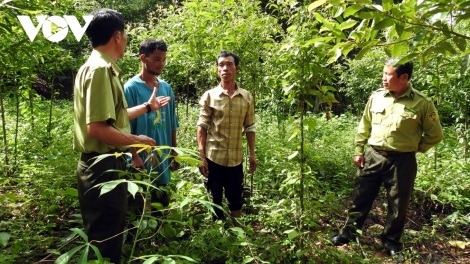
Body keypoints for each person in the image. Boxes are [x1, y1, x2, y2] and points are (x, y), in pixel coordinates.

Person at [73, 9, 170, 263]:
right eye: (125, 35)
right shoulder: (102, 70)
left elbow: (112, 117)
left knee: (104, 236)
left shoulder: (93, 66)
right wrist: (138, 141)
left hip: (100, 165)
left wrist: (148, 107)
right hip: (103, 166)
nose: (125, 40)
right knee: (106, 244)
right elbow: (97, 128)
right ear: (117, 36)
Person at [329, 59, 443, 262]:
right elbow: (364, 125)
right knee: (360, 197)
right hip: (373, 156)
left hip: (402, 161)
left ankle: (391, 242)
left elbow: (435, 135)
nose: (383, 78)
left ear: (404, 77)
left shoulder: (422, 103)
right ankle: (348, 234)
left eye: (388, 74)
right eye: (383, 73)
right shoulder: (377, 98)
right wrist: (358, 149)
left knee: (398, 205)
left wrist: (414, 148)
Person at [197, 51, 257, 226]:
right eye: (221, 65)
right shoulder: (209, 96)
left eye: (229, 64)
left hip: (235, 159)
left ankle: (236, 233)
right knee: (214, 198)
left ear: (236, 68)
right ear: (217, 70)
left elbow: (250, 126)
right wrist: (201, 156)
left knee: (235, 197)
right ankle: (219, 235)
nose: (225, 68)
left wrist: (252, 154)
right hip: (213, 156)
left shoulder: (246, 97)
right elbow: (202, 126)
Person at [124, 38, 179, 217]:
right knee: (135, 204)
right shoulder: (130, 88)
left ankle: (160, 237)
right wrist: (133, 155)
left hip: (162, 155)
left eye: (163, 59)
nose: (161, 63)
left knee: (161, 202)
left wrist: (173, 151)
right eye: (156, 59)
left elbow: (172, 122)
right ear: (143, 58)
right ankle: (136, 242)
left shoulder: (166, 89)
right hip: (140, 157)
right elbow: (125, 126)